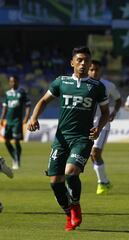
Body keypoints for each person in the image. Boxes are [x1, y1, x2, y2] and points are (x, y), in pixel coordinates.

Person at [27, 46, 109, 231]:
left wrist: (99, 128)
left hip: (83, 138)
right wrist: (33, 117)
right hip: (61, 139)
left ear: (90, 64)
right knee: (55, 182)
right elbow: (42, 101)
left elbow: (105, 112)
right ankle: (68, 212)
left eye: (86, 61)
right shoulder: (61, 82)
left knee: (71, 172)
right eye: (79, 60)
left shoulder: (97, 87)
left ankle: (76, 205)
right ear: (72, 62)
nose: (82, 64)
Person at [88, 60, 121, 195]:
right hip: (87, 125)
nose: (94, 72)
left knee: (95, 153)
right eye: (92, 70)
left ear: (100, 71)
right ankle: (105, 181)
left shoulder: (108, 85)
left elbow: (118, 99)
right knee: (91, 156)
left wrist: (113, 112)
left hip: (102, 125)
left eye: (97, 70)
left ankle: (101, 184)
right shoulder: (82, 85)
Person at [0, 75, 31, 169]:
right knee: (6, 141)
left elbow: (28, 105)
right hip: (8, 122)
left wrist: (26, 117)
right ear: (9, 83)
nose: (12, 83)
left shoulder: (22, 92)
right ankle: (14, 158)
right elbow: (5, 107)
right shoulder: (7, 93)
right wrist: (2, 118)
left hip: (17, 121)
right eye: (11, 81)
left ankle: (17, 160)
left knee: (16, 141)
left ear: (17, 82)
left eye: (14, 81)